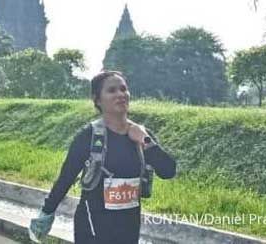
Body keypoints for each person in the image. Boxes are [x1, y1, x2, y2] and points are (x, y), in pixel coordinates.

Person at [29, 71, 176, 244]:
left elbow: (168, 171)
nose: (120, 94)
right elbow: (66, 178)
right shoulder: (89, 136)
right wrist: (47, 212)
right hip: (92, 226)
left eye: (123, 89)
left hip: (129, 226)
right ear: (98, 100)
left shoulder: (142, 135)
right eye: (112, 90)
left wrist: (146, 141)